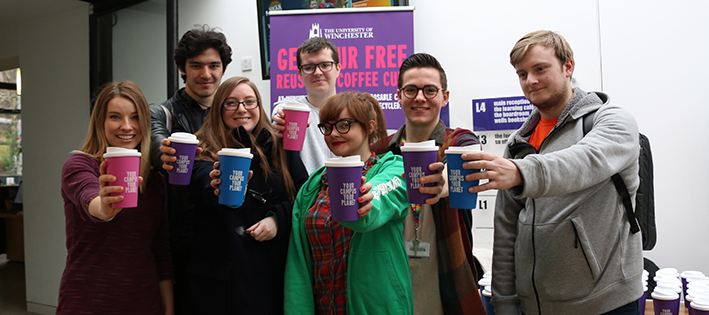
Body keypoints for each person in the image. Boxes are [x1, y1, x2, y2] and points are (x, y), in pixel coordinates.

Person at [462, 30, 643, 314]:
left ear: (568, 66)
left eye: (540, 69)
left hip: (607, 303)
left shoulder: (612, 121)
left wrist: (522, 173)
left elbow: (584, 161)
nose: (530, 81)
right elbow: (507, 232)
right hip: (536, 307)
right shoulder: (519, 143)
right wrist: (505, 303)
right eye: (522, 74)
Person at [173, 76, 308, 314]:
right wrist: (218, 183)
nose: (242, 109)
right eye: (231, 103)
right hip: (221, 286)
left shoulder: (279, 146)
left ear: (259, 106)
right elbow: (204, 182)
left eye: (249, 102)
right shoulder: (202, 148)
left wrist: (277, 218)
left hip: (271, 277)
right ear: (218, 109)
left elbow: (303, 197)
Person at [284, 91, 413, 314]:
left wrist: (362, 205)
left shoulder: (395, 169)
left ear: (369, 126)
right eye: (327, 126)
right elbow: (298, 263)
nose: (334, 133)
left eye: (344, 125)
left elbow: (373, 208)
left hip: (376, 307)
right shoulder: (313, 185)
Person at [378, 53, 486, 315]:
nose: (419, 98)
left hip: (447, 284)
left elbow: (470, 161)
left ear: (444, 97)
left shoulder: (458, 141)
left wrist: (442, 185)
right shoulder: (381, 151)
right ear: (399, 95)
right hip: (389, 284)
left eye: (429, 90)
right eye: (411, 90)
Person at [58, 81, 173, 314]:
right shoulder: (80, 165)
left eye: (135, 117)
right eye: (115, 117)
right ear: (101, 121)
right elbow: (90, 199)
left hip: (145, 303)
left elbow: (161, 255)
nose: (127, 127)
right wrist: (106, 208)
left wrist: (169, 311)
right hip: (87, 302)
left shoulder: (155, 181)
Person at [148, 25, 232, 313]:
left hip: (225, 243)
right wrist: (166, 155)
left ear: (223, 69)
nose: (205, 74)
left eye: (213, 65)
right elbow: (156, 142)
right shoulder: (162, 113)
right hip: (177, 244)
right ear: (182, 69)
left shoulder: (235, 115)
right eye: (196, 65)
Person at [272, 36, 340, 173]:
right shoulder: (292, 110)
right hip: (304, 192)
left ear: (337, 68)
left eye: (325, 65)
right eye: (309, 67)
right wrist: (279, 120)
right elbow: (280, 110)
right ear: (300, 73)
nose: (318, 72)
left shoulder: (354, 110)